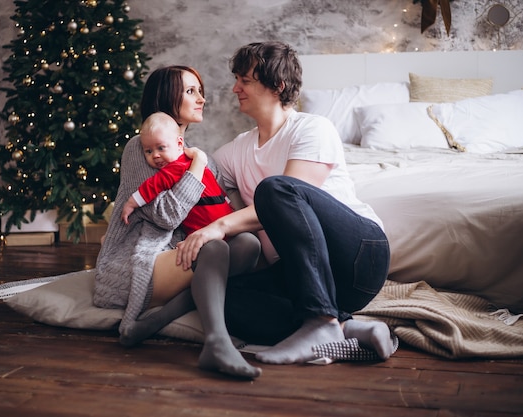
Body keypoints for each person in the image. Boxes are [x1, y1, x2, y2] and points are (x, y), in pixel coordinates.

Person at [175, 42, 396, 365]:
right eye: (237, 79)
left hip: (359, 257)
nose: (235, 88)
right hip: (301, 274)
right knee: (221, 299)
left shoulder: (313, 128)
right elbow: (191, 176)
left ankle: (322, 321)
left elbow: (291, 194)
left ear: (277, 85)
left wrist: (219, 227)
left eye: (245, 81)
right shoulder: (238, 149)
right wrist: (170, 128)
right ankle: (348, 329)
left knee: (274, 190)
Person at [94, 66, 262, 379]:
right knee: (213, 249)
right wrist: (197, 166)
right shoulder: (141, 148)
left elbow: (217, 212)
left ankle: (154, 323)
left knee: (248, 245)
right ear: (166, 96)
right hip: (137, 262)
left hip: (177, 256)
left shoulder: (199, 156)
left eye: (200, 90)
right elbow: (167, 216)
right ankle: (217, 342)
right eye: (190, 91)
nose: (202, 99)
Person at [120, 112, 233, 236]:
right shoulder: (195, 161)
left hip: (215, 223)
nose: (155, 155)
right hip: (208, 227)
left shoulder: (176, 167)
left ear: (179, 144)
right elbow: (153, 186)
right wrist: (228, 202)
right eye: (149, 151)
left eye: (161, 148)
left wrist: (131, 202)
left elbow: (152, 186)